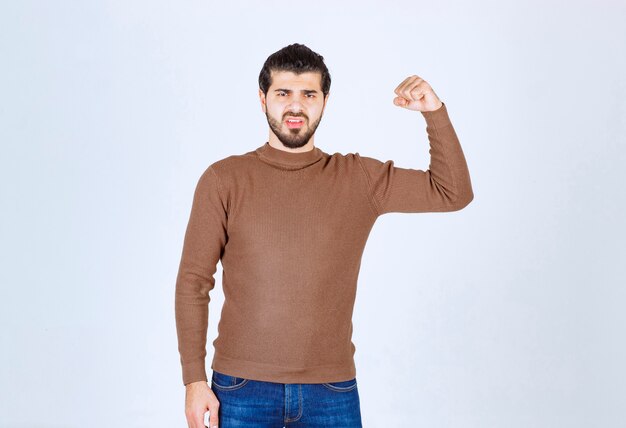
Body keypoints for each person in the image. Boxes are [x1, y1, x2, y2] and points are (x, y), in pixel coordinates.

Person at [175, 43, 474, 428]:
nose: (295, 106)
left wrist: (434, 113)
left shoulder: (358, 179)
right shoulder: (224, 179)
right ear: (263, 98)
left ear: (325, 101)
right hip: (240, 388)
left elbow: (453, 192)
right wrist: (193, 380)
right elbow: (193, 283)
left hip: (331, 390)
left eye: (308, 94)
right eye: (283, 93)